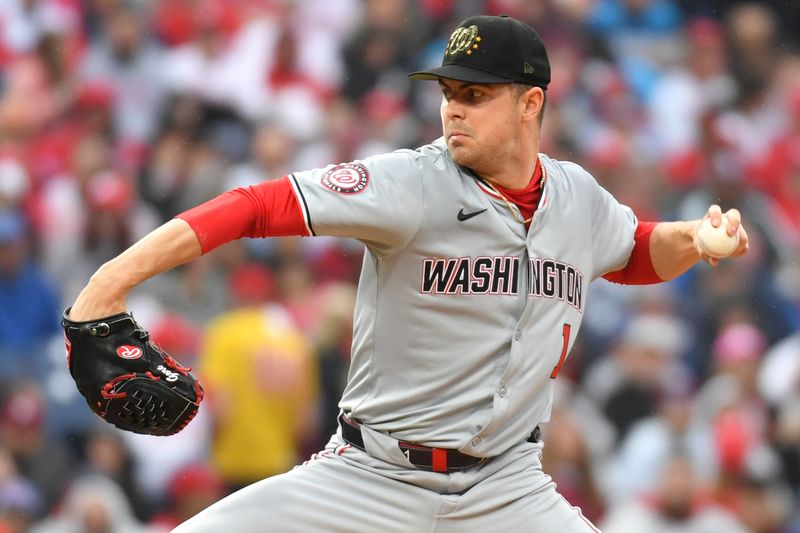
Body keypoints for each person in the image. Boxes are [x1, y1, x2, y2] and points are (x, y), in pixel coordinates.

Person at [67, 15, 749, 532]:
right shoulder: (411, 183)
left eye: (475, 93)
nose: (452, 106)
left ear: (530, 103)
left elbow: (631, 250)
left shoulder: (578, 198)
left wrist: (696, 239)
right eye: (449, 91)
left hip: (508, 490)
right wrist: (110, 280)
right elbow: (252, 206)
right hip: (369, 476)